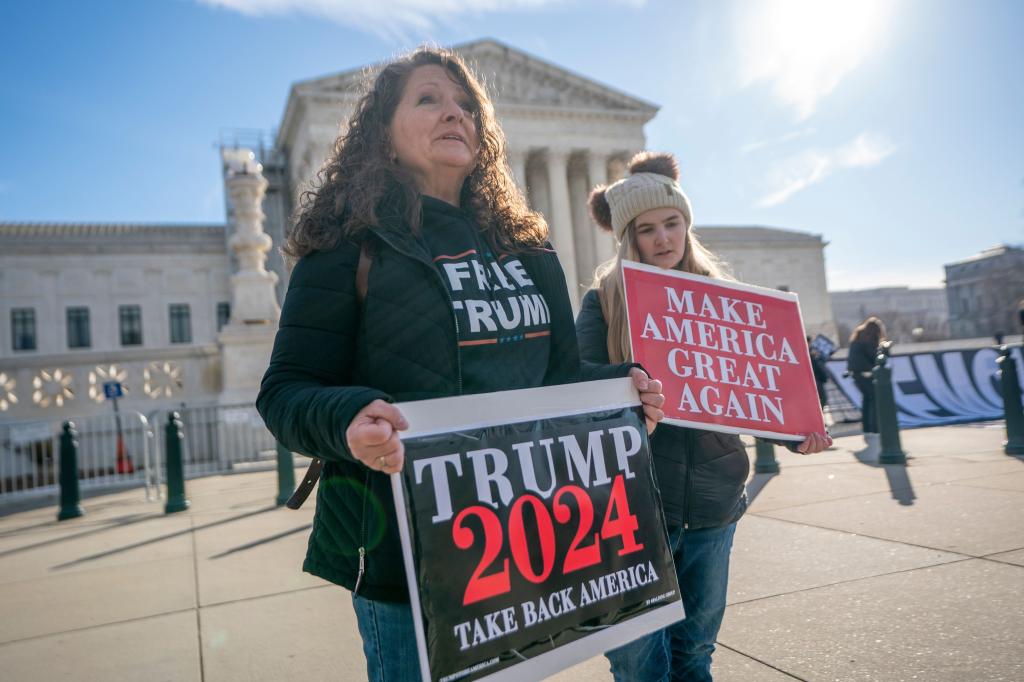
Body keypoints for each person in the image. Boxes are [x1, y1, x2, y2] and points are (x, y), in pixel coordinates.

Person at [255, 47, 664, 681]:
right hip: (404, 553)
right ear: (382, 134)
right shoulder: (346, 244)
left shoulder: (528, 249)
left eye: (466, 104)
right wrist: (348, 420)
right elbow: (286, 393)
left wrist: (622, 391)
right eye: (428, 99)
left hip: (522, 543)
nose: (455, 113)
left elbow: (559, 380)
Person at [575, 151, 831, 682]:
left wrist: (796, 432)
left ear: (687, 226)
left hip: (714, 504)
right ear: (629, 238)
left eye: (672, 223)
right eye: (647, 229)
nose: (663, 238)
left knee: (694, 656)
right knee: (638, 664)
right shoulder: (604, 303)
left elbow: (757, 386)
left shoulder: (727, 302)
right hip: (636, 510)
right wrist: (631, 379)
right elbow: (581, 386)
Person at [846, 316, 887, 446]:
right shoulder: (869, 340)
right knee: (873, 400)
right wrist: (884, 349)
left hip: (856, 374)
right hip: (867, 374)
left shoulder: (857, 337)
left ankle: (867, 428)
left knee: (867, 400)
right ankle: (874, 428)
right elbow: (875, 358)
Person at [807, 335, 830, 409]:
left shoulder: (813, 351)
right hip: (814, 378)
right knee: (822, 398)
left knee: (822, 398)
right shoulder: (808, 352)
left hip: (817, 377)